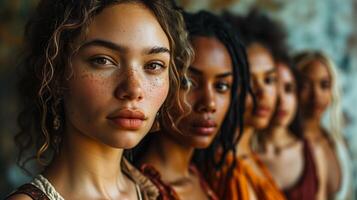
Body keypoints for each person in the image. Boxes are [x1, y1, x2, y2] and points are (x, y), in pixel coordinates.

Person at [7, 0, 193, 199]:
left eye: (154, 65)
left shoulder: (156, 192)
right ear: (56, 74)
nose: (133, 89)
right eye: (102, 60)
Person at [133, 11, 250, 200]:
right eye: (188, 82)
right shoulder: (141, 191)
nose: (209, 103)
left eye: (221, 86)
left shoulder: (206, 176)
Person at [212, 10, 287, 200]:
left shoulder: (249, 156)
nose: (261, 93)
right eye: (249, 81)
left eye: (269, 79)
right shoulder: (226, 169)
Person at [256, 56, 327, 200]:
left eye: (289, 89)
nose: (281, 101)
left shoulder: (314, 153)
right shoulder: (242, 157)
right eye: (274, 88)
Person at [295, 51, 354, 200]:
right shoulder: (281, 147)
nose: (316, 95)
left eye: (324, 85)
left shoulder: (337, 144)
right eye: (305, 85)